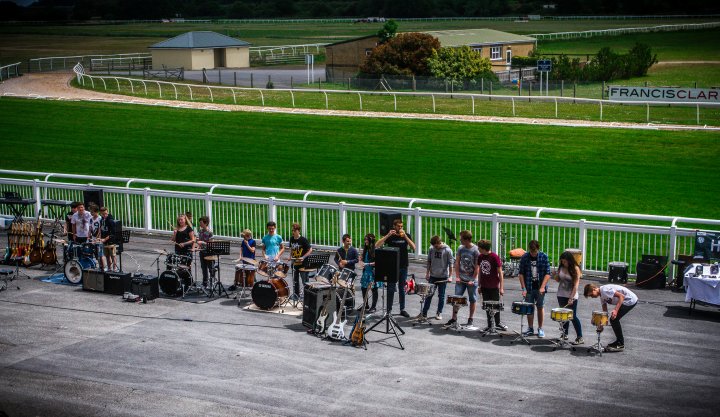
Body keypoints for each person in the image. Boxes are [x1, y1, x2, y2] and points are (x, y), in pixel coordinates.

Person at [375, 219, 416, 318]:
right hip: (392, 266)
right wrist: (388, 235)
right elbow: (377, 245)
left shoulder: (406, 235)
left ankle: (402, 309)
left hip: (403, 265)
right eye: (398, 226)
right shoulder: (391, 236)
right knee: (391, 288)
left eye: (402, 226)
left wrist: (405, 236)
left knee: (402, 288)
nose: (400, 228)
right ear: (394, 226)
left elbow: (414, 247)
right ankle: (389, 310)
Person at [584, 283, 638, 352]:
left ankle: (620, 343)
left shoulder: (604, 290)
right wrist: (602, 325)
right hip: (626, 300)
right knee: (613, 319)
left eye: (591, 295)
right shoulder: (602, 296)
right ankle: (619, 341)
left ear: (594, 289)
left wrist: (615, 310)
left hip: (630, 300)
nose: (591, 297)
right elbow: (605, 313)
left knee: (614, 320)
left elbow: (621, 296)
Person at [518, 240, 552, 338]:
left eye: (535, 251)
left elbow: (547, 273)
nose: (533, 253)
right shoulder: (525, 257)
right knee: (529, 307)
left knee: (540, 307)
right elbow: (521, 274)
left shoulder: (543, 257)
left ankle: (540, 328)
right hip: (528, 286)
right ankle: (530, 328)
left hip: (540, 287)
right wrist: (523, 288)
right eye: (532, 251)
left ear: (538, 249)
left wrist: (542, 287)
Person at [446, 230, 479, 327]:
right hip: (461, 279)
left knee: (472, 299)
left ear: (467, 239)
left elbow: (477, 267)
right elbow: (457, 262)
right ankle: (454, 318)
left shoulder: (475, 250)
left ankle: (470, 318)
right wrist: (457, 276)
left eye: (461, 239)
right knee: (456, 298)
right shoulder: (461, 248)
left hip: (471, 280)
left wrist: (473, 279)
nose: (460, 241)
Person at [418, 235, 453, 321]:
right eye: (433, 246)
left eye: (436, 246)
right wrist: (427, 273)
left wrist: (450, 276)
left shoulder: (447, 250)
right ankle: (424, 313)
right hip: (433, 276)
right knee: (428, 295)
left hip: (443, 276)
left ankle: (439, 312)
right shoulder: (431, 249)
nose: (435, 247)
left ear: (439, 243)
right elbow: (429, 261)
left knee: (441, 296)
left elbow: (451, 264)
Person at [477, 239, 507, 332]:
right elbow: (480, 272)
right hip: (484, 286)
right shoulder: (480, 257)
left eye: (479, 248)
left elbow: (500, 273)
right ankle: (490, 325)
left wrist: (501, 288)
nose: (478, 249)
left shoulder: (494, 257)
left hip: (493, 286)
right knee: (487, 306)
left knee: (495, 306)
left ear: (484, 249)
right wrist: (479, 285)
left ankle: (497, 323)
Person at [555, 251, 584, 345]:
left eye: (565, 262)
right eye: (562, 262)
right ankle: (564, 333)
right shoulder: (562, 267)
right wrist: (555, 275)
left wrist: (571, 297)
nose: (563, 263)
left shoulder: (576, 269)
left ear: (569, 260)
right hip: (561, 294)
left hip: (572, 295)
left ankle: (580, 337)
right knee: (564, 315)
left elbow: (576, 285)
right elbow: (558, 279)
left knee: (572, 316)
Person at [289, 223, 313, 298]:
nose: (293, 232)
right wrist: (290, 257)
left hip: (303, 263)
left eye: (295, 230)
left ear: (298, 231)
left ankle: (307, 296)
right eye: (292, 230)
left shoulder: (303, 240)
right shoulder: (292, 239)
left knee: (305, 281)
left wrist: (303, 257)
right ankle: (296, 295)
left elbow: (310, 249)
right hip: (295, 263)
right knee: (295, 281)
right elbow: (291, 249)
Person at [359, 233, 381, 313]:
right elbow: (363, 261)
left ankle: (373, 306)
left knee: (374, 289)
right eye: (364, 239)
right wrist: (361, 260)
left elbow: (377, 262)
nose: (365, 241)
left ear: (371, 240)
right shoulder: (366, 249)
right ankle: (366, 304)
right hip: (366, 272)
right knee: (363, 288)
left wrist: (367, 264)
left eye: (366, 239)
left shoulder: (375, 249)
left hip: (372, 272)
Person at [195, 216, 213, 288]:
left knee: (211, 268)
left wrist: (202, 242)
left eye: (201, 223)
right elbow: (199, 241)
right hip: (202, 252)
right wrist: (197, 244)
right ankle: (205, 283)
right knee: (203, 268)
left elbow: (211, 243)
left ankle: (212, 283)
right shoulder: (200, 231)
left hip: (209, 252)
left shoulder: (209, 232)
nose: (200, 224)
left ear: (206, 223)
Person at [98, 207, 117, 272]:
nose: (105, 215)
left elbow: (112, 233)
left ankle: (115, 268)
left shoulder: (110, 221)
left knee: (113, 255)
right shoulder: (101, 220)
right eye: (103, 214)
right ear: (101, 214)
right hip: (104, 241)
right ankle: (109, 268)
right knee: (107, 256)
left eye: (106, 213)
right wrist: (100, 238)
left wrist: (105, 239)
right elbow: (101, 230)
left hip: (111, 241)